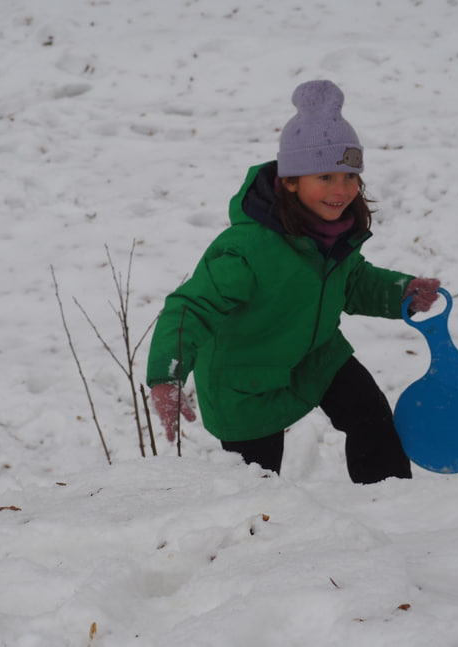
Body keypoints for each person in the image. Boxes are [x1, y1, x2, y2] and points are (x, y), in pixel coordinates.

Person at [145, 79, 440, 484]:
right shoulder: (247, 249)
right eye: (326, 176)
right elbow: (192, 306)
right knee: (257, 480)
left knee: (370, 414)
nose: (342, 191)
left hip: (312, 356)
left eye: (351, 177)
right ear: (289, 181)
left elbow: (352, 282)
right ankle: (260, 536)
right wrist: (166, 375)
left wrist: (400, 291)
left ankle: (389, 503)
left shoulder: (333, 235)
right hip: (244, 379)